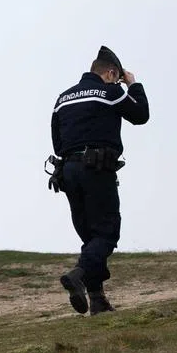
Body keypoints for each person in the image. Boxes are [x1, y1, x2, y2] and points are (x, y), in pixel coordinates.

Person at [50, 46, 150, 315]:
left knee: (90, 237)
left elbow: (58, 143)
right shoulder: (110, 92)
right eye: (116, 77)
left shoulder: (63, 98)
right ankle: (79, 276)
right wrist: (133, 84)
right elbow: (141, 115)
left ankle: (97, 300)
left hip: (67, 172)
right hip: (97, 170)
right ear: (111, 73)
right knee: (106, 234)